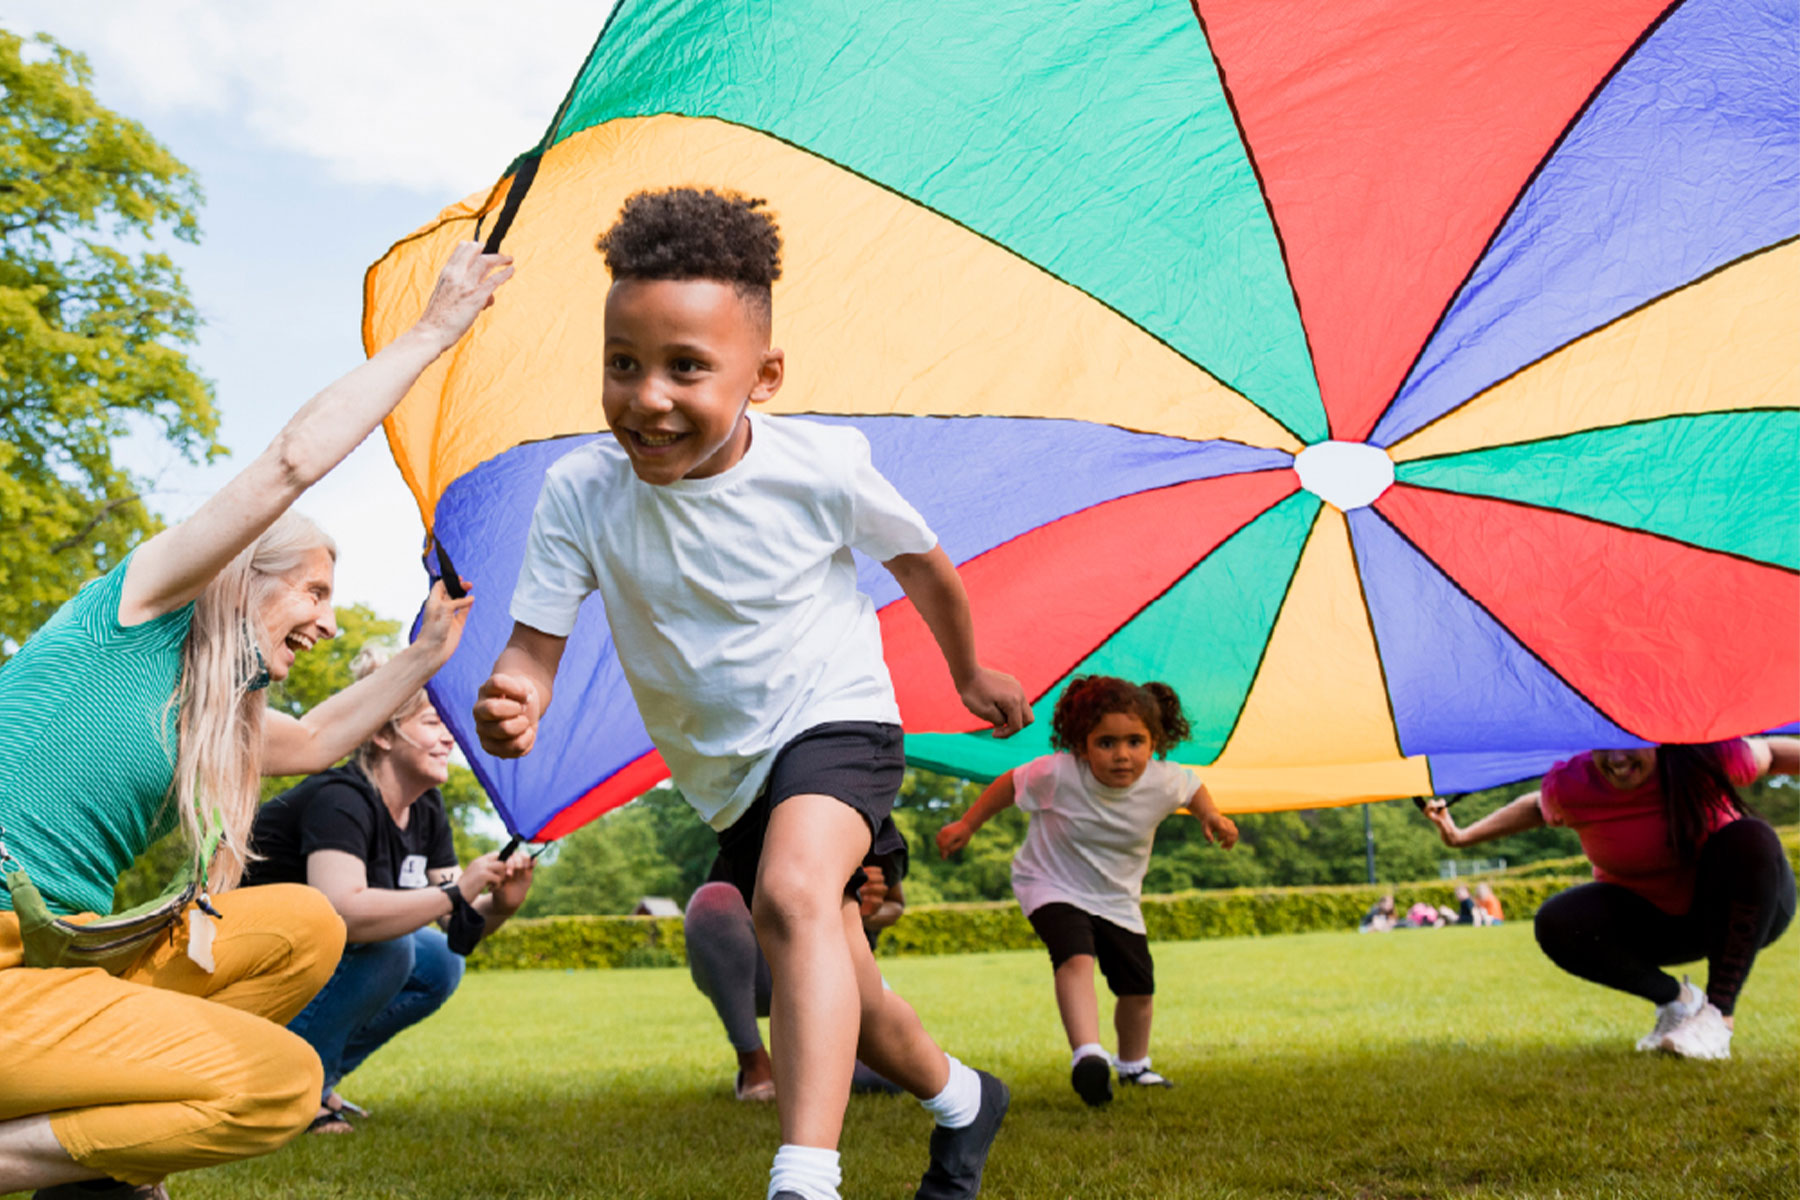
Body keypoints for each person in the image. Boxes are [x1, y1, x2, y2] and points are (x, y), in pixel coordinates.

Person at [472, 188, 1031, 1200]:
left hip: (834, 716)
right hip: (728, 774)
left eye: (688, 366)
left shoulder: (821, 465)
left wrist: (969, 671)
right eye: (623, 364)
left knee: (791, 893)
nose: (648, 396)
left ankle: (804, 1177)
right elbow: (531, 649)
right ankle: (961, 1100)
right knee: (849, 989)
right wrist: (513, 697)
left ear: (762, 375)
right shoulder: (581, 493)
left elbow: (924, 566)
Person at [0, 242, 510, 1198]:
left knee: (299, 925)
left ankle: (95, 1163)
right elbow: (287, 465)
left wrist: (426, 656)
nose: (324, 618)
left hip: (57, 958)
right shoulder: (139, 613)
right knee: (280, 1085)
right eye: (313, 590)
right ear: (243, 580)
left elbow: (318, 742)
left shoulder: (207, 712)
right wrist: (434, 333)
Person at [245, 648, 535, 1133]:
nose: (450, 738)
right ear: (381, 733)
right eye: (432, 723)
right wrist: (456, 892)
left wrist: (501, 903)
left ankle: (316, 1076)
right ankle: (289, 1092)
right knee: (391, 946)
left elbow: (455, 928)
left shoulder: (426, 808)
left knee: (441, 961)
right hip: (247, 950)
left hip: (313, 954)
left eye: (449, 724)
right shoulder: (341, 799)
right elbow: (343, 911)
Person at [935, 676, 1238, 1108]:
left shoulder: (1162, 780)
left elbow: (1192, 789)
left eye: (1136, 741)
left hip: (1117, 899)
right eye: (1107, 743)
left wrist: (1212, 816)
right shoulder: (1058, 773)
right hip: (1048, 883)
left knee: (1138, 987)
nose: (1122, 755)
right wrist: (966, 824)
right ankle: (1088, 1056)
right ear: (1081, 744)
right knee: (1075, 955)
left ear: (1155, 742)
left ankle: (1134, 1065)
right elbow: (1009, 784)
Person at [1424, 738, 1799, 1060]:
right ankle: (1679, 1002)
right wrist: (1461, 837)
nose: (1617, 759)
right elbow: (1537, 807)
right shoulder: (1573, 784)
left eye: (1630, 743)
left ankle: (1717, 1016)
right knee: (1557, 921)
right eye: (1603, 746)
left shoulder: (1705, 756)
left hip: (1741, 913)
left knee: (1751, 837)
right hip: (1658, 924)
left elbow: (1771, 752)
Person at [685, 843, 909, 1103]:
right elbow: (721, 917)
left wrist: (869, 910)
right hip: (769, 964)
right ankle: (754, 1064)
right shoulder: (752, 819)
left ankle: (816, 1056)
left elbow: (895, 904)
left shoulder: (879, 830)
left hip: (841, 971)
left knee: (888, 1075)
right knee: (712, 901)